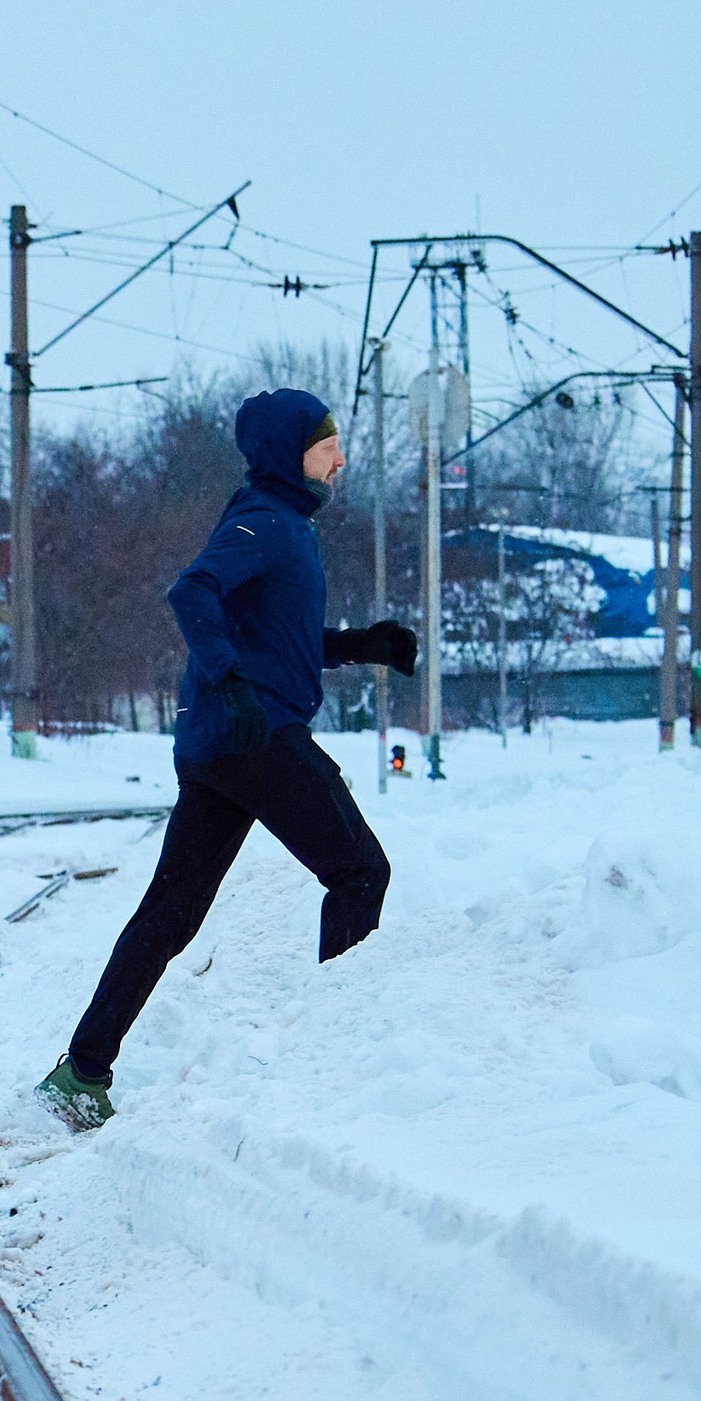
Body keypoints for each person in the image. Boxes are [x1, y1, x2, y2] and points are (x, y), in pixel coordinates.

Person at [37, 389, 418, 1131]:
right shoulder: (266, 523)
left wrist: (358, 644)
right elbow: (193, 591)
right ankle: (335, 1066)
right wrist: (231, 681)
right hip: (257, 738)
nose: (340, 458)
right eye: (326, 445)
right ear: (289, 454)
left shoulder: (284, 527)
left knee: (170, 912)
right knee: (361, 870)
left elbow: (275, 637)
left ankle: (82, 1070)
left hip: (222, 743)